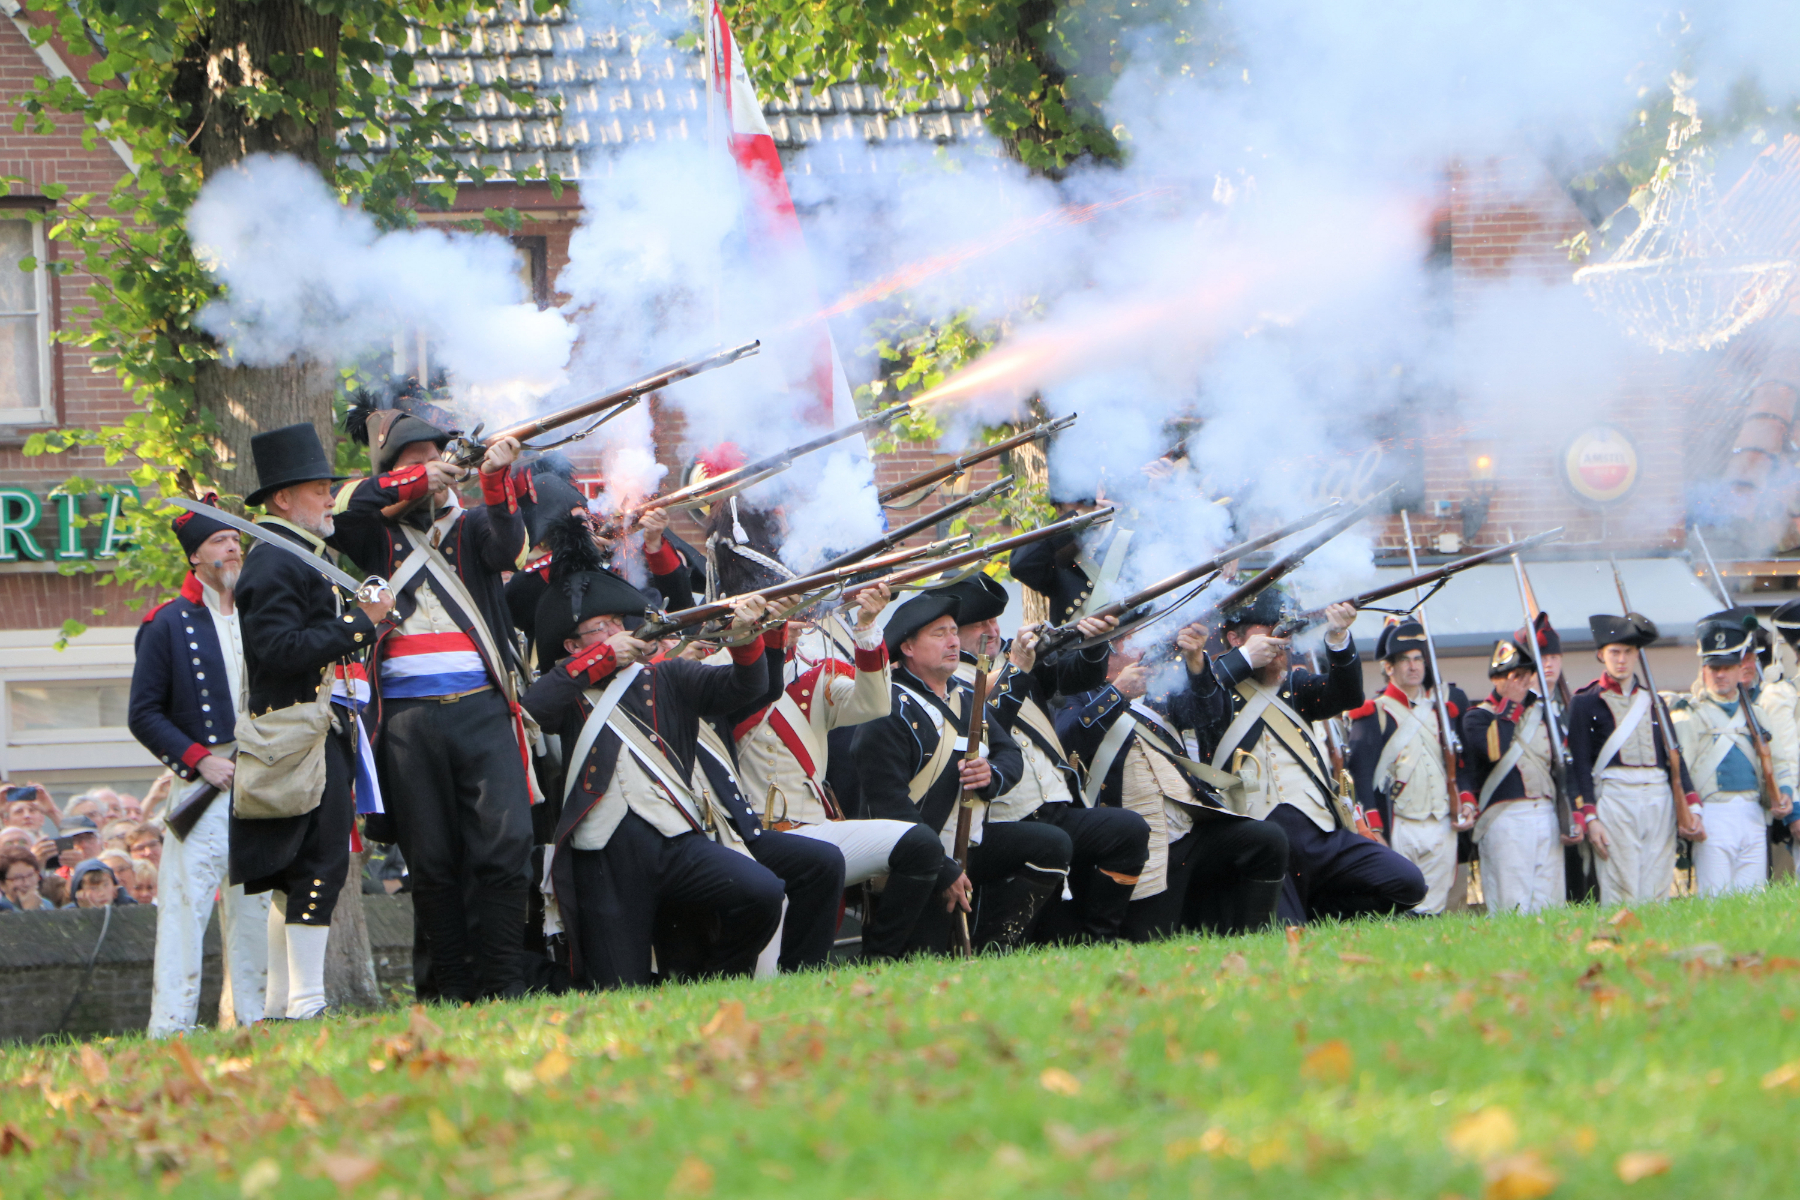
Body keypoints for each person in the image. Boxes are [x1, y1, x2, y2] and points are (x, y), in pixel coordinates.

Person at [332, 405, 535, 1001]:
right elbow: (344, 510)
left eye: (436, 457)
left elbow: (508, 547)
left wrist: (494, 480)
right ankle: (446, 991)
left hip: (481, 707)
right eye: (413, 461)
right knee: (434, 864)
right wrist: (418, 480)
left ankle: (504, 985)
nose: (430, 468)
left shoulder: (471, 527)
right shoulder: (375, 532)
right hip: (406, 720)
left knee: (506, 850)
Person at [521, 562, 783, 989]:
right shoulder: (567, 688)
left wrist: (746, 637)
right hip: (602, 854)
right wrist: (602, 658)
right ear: (572, 645)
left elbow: (744, 689)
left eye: (615, 623)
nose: (616, 631)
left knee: (761, 892)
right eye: (599, 627)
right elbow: (532, 711)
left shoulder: (668, 675)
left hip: (675, 837)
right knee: (619, 988)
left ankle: (719, 984)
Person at [234, 422, 394, 1021]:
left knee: (297, 869)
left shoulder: (294, 557)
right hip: (298, 732)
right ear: (283, 499)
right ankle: (305, 1002)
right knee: (320, 866)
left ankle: (282, 1002)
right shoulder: (276, 561)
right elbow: (276, 649)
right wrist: (360, 625)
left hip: (311, 728)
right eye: (320, 489)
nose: (331, 499)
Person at [732, 581, 958, 960]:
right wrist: (754, 634)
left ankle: (880, 960)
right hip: (747, 831)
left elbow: (872, 705)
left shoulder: (814, 675)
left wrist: (868, 626)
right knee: (766, 972)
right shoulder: (725, 666)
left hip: (813, 824)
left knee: (920, 845)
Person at [850, 592, 1072, 953]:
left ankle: (992, 947)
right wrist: (944, 869)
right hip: (912, 860)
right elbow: (889, 804)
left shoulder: (965, 695)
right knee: (914, 958)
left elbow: (1007, 753)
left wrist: (990, 775)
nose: (953, 641)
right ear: (907, 646)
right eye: (939, 634)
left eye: (954, 632)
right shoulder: (888, 709)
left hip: (968, 844)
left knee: (1051, 845)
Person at [939, 573, 1151, 944]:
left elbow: (1076, 677)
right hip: (998, 816)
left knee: (1127, 830)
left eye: (993, 621)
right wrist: (1018, 668)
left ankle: (1099, 938)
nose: (992, 630)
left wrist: (1092, 641)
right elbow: (985, 730)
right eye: (979, 625)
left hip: (1053, 804)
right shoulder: (946, 678)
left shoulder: (1011, 658)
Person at [128, 494, 270, 1035]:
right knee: (186, 913)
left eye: (237, 539)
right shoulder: (166, 624)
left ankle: (255, 1020)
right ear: (195, 556)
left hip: (260, 783)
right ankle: (171, 1027)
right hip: (202, 789)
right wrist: (199, 761)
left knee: (254, 911)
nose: (233, 548)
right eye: (219, 540)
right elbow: (143, 714)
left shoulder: (260, 614)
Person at [1200, 588, 1425, 923]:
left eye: (1284, 631)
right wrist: (1244, 660)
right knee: (1288, 932)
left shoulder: (1294, 685)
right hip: (1260, 840)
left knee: (1407, 882)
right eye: (1269, 630)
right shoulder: (1212, 691)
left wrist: (1337, 635)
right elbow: (1196, 698)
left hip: (1319, 831)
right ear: (1235, 638)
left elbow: (1346, 695)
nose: (1281, 640)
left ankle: (1326, 908)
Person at [1057, 628, 1290, 940]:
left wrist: (1196, 662)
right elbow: (1068, 742)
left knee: (1267, 839)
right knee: (1150, 939)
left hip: (1190, 826)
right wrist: (1118, 693)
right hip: (1142, 844)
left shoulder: (1156, 689)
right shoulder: (1075, 693)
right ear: (1108, 649)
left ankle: (1254, 939)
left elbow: (1207, 713)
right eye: (1132, 637)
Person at [1566, 613, 1702, 906]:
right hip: (1616, 797)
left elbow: (1673, 757)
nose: (1622, 659)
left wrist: (1692, 803)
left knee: (1657, 888)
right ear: (1601, 655)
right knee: (1620, 889)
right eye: (1615, 652)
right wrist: (1591, 818)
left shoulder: (1653, 700)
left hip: (1659, 797)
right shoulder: (1584, 702)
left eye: (1628, 652)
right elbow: (1579, 766)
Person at [1346, 620, 1473, 915]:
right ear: (1389, 667)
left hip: (1441, 819)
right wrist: (1374, 828)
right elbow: (1360, 775)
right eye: (1404, 660)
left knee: (1436, 906)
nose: (1413, 667)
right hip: (1399, 822)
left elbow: (1461, 764)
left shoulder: (1444, 711)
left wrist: (1465, 800)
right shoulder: (1373, 713)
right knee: (1402, 906)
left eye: (1418, 659)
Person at [1667, 610, 1797, 897]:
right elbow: (1680, 770)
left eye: (1727, 667)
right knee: (1716, 899)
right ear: (1704, 670)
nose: (1721, 675)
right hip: (1713, 813)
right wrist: (1687, 814)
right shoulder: (1690, 714)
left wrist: (1784, 793)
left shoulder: (1759, 714)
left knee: (1753, 901)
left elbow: (1779, 764)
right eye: (1714, 668)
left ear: (1741, 668)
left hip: (1753, 812)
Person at [1460, 637, 1574, 914]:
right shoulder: (1478, 717)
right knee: (1512, 905)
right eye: (1514, 676)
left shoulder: (1543, 714)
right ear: (1497, 678)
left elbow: (1562, 766)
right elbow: (1493, 750)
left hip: (1546, 814)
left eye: (1525, 676)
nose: (1521, 683)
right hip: (1506, 818)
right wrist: (1510, 705)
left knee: (1551, 904)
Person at [0, 846, 49, 912]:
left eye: (31, 875)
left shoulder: (46, 904)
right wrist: (30, 910)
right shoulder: (2, 909)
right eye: (18, 878)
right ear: (2, 884)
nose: (27, 883)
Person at [66, 859, 132, 908]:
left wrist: (122, 900)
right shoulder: (67, 914)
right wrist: (86, 911)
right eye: (93, 888)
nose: (102, 893)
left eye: (106, 885)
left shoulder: (130, 905)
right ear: (80, 891)